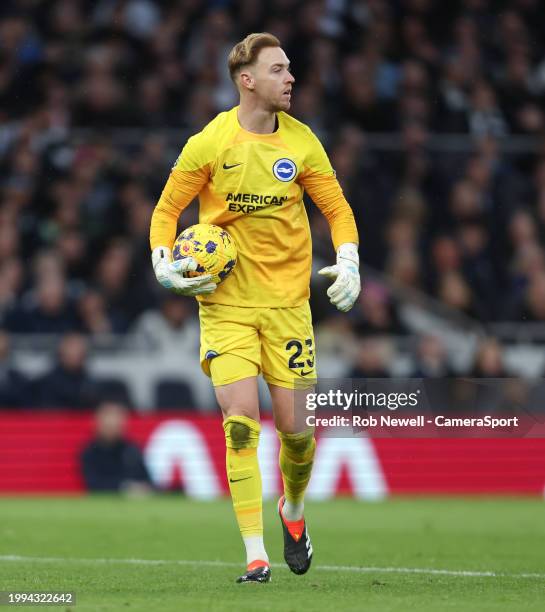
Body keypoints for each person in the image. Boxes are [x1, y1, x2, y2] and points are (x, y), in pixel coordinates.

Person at [149, 33, 360, 584]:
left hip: (289, 305)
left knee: (296, 436)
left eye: (290, 69)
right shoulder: (211, 143)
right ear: (248, 80)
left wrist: (350, 260)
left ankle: (292, 510)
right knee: (240, 426)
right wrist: (161, 262)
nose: (291, 78)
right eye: (279, 69)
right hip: (226, 306)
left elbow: (336, 209)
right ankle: (254, 555)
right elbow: (167, 209)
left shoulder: (303, 144)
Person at [80, 401, 152, 494]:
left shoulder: (132, 450)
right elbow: (93, 484)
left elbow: (147, 482)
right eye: (108, 424)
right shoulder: (89, 452)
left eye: (115, 422)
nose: (112, 425)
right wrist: (124, 487)